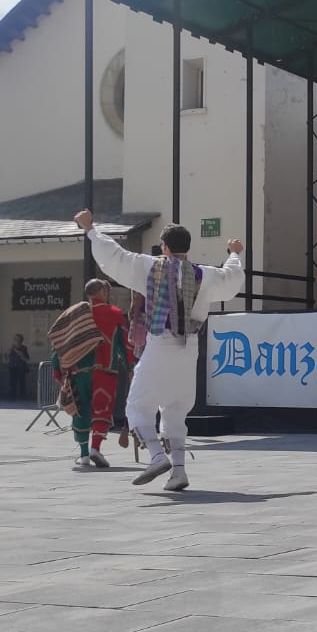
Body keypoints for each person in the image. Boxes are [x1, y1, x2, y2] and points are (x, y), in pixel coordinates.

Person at [76, 210, 245, 492]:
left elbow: (114, 257)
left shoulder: (149, 266)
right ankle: (178, 470)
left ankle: (156, 457)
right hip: (189, 350)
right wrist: (234, 252)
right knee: (176, 412)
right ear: (187, 247)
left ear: (164, 247)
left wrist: (91, 229)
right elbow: (232, 279)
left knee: (137, 405)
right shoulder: (206, 275)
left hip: (160, 345)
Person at [48, 280, 130, 468]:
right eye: (106, 289)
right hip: (104, 371)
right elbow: (123, 344)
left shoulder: (74, 313)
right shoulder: (114, 313)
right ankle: (95, 448)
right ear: (101, 291)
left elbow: (60, 344)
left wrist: (57, 371)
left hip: (77, 373)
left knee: (80, 410)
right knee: (102, 408)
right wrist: (131, 366)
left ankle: (84, 454)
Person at [7, 334, 31, 400]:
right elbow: (7, 356)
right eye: (15, 339)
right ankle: (12, 396)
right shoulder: (11, 348)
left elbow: (27, 358)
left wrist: (19, 352)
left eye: (18, 339)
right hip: (12, 367)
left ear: (21, 340)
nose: (16, 340)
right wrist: (11, 350)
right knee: (13, 383)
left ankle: (22, 396)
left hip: (21, 368)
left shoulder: (24, 348)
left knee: (22, 383)